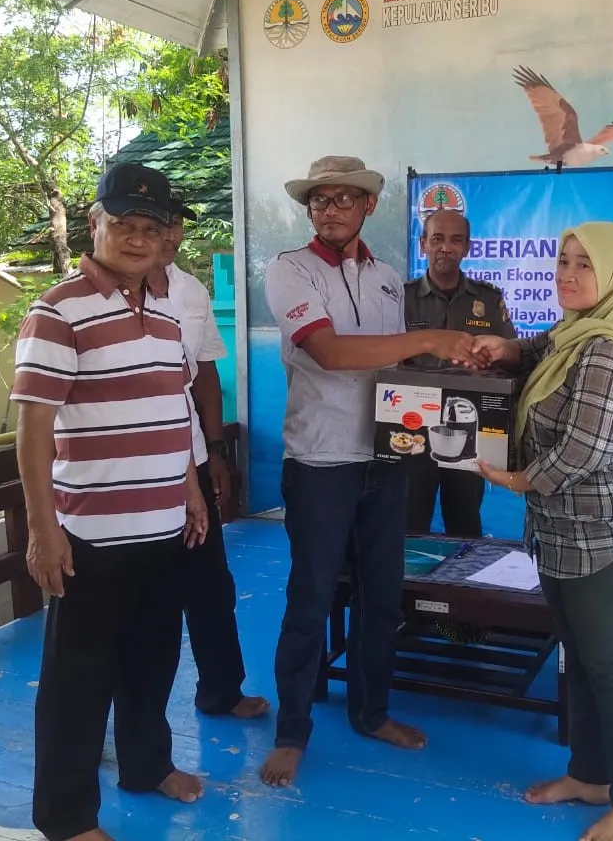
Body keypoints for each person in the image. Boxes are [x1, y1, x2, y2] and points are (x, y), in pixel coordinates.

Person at [258, 156, 478, 788]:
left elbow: (391, 371)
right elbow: (328, 353)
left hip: (387, 458)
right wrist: (430, 340)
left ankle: (371, 712)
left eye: (343, 199)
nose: (330, 209)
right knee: (311, 599)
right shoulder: (290, 269)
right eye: (319, 200)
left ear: (368, 206)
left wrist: (454, 368)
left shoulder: (384, 279)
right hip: (321, 460)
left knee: (381, 597)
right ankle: (292, 732)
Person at [13, 162, 207, 841]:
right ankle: (65, 817)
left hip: (163, 527)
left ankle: (147, 766)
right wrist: (43, 530)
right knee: (79, 682)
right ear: (95, 224)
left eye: (151, 227)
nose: (137, 237)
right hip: (89, 535)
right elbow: (33, 427)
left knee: (153, 663)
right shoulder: (58, 310)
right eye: (123, 223)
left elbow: (173, 406)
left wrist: (189, 488)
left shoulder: (167, 309)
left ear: (166, 236)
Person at [472, 222, 613, 841]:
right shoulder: (574, 332)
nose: (568, 273)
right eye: (563, 260)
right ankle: (592, 775)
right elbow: (538, 349)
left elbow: (584, 449)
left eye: (586, 264)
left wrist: (518, 480)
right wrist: (504, 349)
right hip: (562, 525)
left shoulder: (607, 348)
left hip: (606, 528)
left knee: (608, 663)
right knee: (578, 656)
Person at [154, 198, 269, 720]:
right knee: (143, 597)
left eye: (176, 224)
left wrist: (216, 450)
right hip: (132, 471)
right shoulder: (96, 298)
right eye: (159, 223)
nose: (169, 234)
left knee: (210, 584)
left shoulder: (191, 290)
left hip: (192, 459)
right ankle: (123, 720)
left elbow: (205, 374)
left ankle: (221, 691)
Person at [404, 208, 516, 538]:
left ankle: (465, 572)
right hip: (411, 425)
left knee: (464, 518)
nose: (446, 247)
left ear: (467, 247)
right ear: (423, 244)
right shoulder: (402, 298)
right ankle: (406, 574)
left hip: (470, 423)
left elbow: (512, 355)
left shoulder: (488, 299)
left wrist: (492, 356)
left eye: (456, 240)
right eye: (437, 239)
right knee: (409, 518)